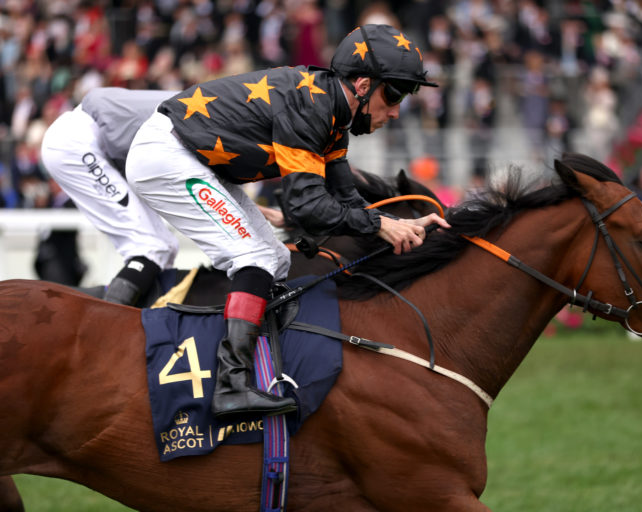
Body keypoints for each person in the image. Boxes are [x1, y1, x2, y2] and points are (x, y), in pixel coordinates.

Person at [125, 24, 451, 418]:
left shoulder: (332, 115)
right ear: (363, 84)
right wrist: (381, 226)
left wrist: (400, 224)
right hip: (168, 155)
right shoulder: (313, 105)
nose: (396, 110)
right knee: (255, 259)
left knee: (275, 260)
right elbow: (306, 207)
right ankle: (230, 384)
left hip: (190, 158)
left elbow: (345, 199)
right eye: (394, 93)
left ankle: (255, 370)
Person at [40, 87, 180, 305]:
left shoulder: (210, 104)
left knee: (165, 247)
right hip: (78, 144)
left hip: (84, 139)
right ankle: (103, 329)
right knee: (150, 247)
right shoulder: (203, 113)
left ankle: (151, 327)